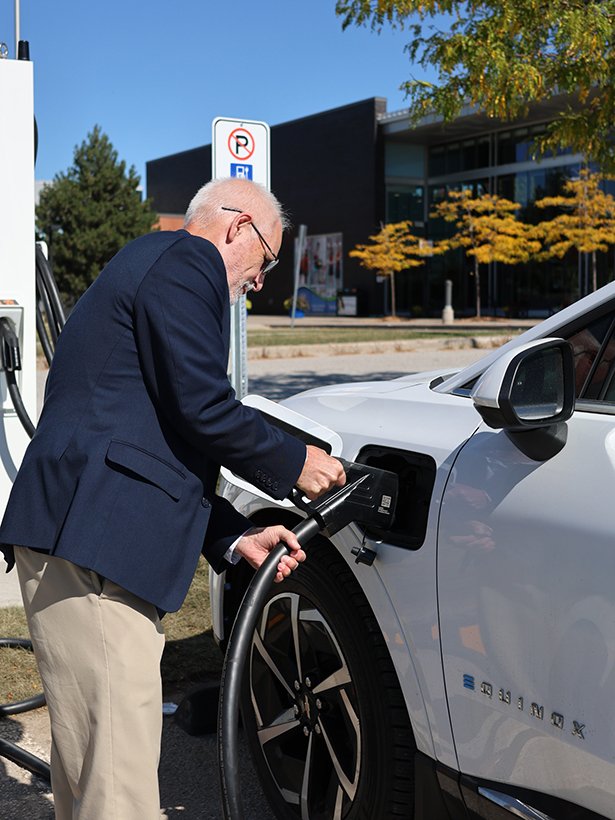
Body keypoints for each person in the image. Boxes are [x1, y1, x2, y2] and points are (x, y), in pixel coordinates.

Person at [0, 177, 345, 819]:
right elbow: (203, 407)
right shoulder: (189, 261)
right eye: (267, 258)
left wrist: (232, 535)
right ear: (236, 226)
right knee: (120, 794)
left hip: (76, 536)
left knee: (92, 782)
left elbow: (152, 437)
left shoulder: (146, 263)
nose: (261, 280)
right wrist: (298, 462)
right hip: (94, 548)